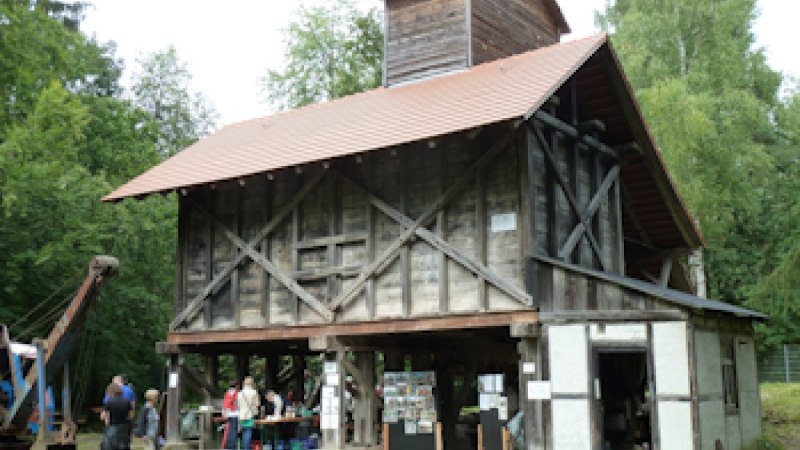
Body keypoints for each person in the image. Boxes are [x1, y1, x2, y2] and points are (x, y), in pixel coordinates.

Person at [101, 383, 133, 450]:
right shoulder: (127, 401)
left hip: (112, 426)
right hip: (124, 427)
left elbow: (103, 416)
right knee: (123, 445)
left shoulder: (109, 401)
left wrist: (106, 421)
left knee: (109, 446)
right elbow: (130, 415)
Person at [236, 376, 260, 450]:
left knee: (244, 432)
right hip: (250, 414)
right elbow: (257, 404)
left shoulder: (240, 393)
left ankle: (244, 447)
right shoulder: (254, 392)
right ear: (252, 383)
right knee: (248, 431)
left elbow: (238, 404)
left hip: (242, 414)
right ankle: (247, 448)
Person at [222, 380, 239, 450]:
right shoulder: (237, 393)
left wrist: (224, 413)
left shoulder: (227, 393)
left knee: (229, 430)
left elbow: (225, 404)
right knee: (233, 431)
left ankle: (228, 446)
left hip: (228, 413)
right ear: (236, 386)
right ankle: (232, 446)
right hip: (235, 413)